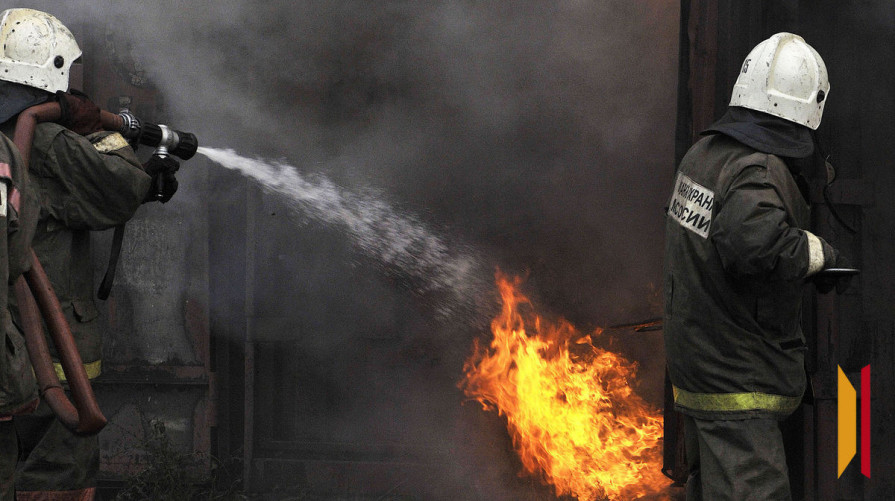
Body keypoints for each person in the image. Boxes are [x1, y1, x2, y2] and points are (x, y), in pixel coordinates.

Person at [0, 8, 179, 500]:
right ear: (50, 67)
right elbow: (120, 185)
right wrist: (111, 132)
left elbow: (71, 197)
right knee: (59, 477)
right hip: (49, 364)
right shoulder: (46, 140)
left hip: (10, 358)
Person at [663, 32, 849, 500]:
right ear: (808, 109)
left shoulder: (704, 154)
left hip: (702, 371)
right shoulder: (756, 167)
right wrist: (818, 254)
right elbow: (754, 245)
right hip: (735, 383)